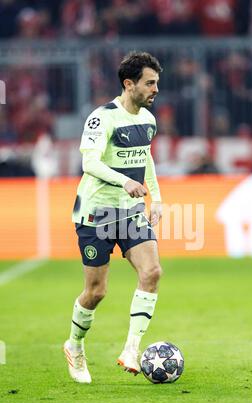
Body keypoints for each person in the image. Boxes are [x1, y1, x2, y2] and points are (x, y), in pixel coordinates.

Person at [64, 51, 163, 383]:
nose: (155, 89)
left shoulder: (147, 120)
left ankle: (132, 349)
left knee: (152, 272)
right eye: (150, 83)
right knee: (96, 292)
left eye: (157, 83)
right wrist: (125, 181)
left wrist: (157, 199)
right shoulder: (102, 117)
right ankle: (75, 346)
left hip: (130, 210)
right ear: (129, 83)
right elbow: (89, 163)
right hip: (95, 211)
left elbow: (145, 159)